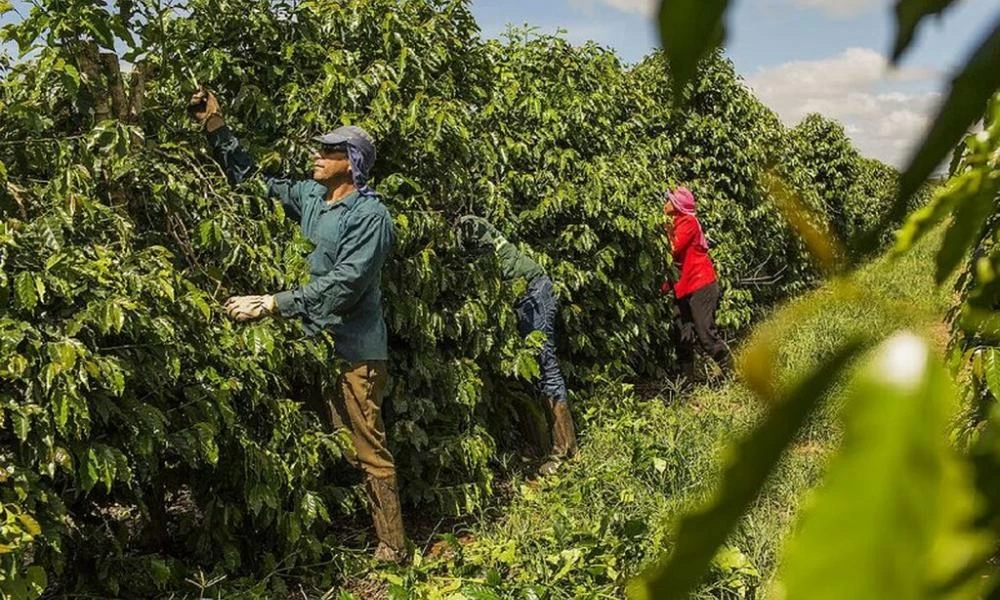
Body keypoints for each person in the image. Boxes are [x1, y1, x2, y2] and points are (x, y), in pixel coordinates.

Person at [187, 90, 406, 562]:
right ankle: (338, 530)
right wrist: (216, 127)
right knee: (329, 440)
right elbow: (253, 182)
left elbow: (345, 284)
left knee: (367, 445)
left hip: (356, 350)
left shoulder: (371, 216)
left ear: (352, 162)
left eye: (329, 151)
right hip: (314, 343)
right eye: (319, 149)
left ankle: (393, 547)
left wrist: (273, 303)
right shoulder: (311, 196)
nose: (317, 156)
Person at [455, 215, 577, 475]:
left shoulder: (468, 227)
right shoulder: (468, 225)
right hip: (524, 295)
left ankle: (565, 451)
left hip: (533, 293)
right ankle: (544, 446)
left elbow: (483, 272)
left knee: (545, 366)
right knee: (530, 373)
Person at [661, 187, 732, 381]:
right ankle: (686, 379)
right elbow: (675, 264)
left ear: (677, 206)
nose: (665, 204)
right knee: (681, 332)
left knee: (705, 332)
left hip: (700, 285)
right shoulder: (675, 223)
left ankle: (733, 372)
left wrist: (664, 231)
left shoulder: (688, 222)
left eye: (668, 201)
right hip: (684, 287)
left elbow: (673, 249)